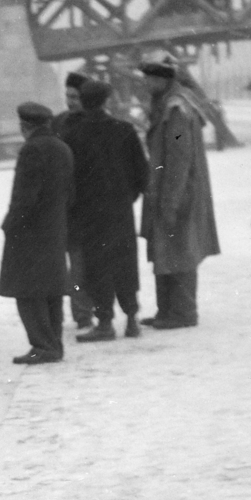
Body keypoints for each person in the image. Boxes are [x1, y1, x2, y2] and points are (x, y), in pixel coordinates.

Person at [64, 79, 149, 342]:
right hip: (120, 211)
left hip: (88, 214)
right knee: (124, 263)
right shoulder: (124, 130)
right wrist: (127, 197)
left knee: (96, 267)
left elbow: (68, 179)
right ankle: (132, 319)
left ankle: (104, 323)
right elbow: (142, 174)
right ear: (107, 100)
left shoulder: (72, 134)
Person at [139, 59, 219, 330]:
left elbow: (179, 159)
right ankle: (166, 310)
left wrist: (171, 201)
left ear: (163, 80)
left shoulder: (175, 111)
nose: (146, 84)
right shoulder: (167, 104)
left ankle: (184, 313)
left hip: (178, 191)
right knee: (166, 249)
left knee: (180, 250)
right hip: (167, 189)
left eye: (150, 80)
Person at [0, 100, 75, 365]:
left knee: (28, 292)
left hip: (29, 233)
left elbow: (24, 197)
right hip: (54, 229)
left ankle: (42, 346)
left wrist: (9, 225)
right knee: (52, 291)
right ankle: (54, 344)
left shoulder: (31, 150)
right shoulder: (63, 148)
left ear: (24, 126)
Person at [54, 72, 95, 329]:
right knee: (69, 261)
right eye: (68, 96)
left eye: (76, 97)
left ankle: (83, 311)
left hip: (88, 205)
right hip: (64, 205)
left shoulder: (95, 123)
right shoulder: (58, 123)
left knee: (81, 262)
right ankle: (73, 312)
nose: (71, 102)